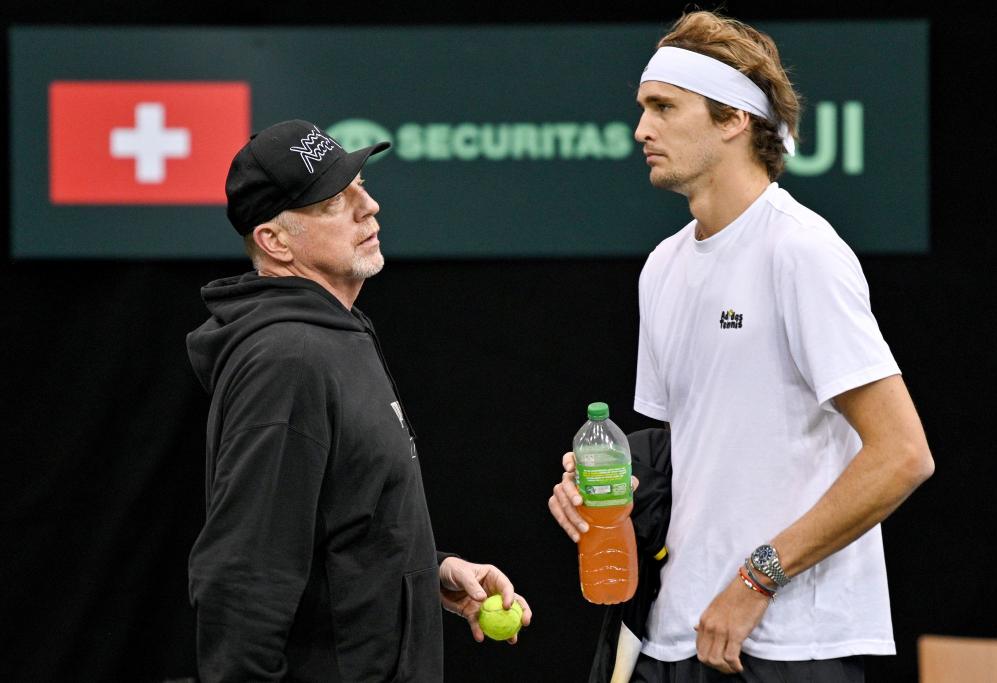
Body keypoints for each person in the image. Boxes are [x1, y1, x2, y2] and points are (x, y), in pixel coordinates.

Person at [549, 11, 933, 682]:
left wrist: (758, 577)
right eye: (643, 109)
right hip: (676, 638)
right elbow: (692, 453)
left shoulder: (801, 250)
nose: (642, 129)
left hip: (789, 645)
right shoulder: (662, 268)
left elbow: (902, 454)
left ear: (733, 120)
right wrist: (603, 486)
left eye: (664, 107)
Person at [186, 119, 530, 682]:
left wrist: (429, 573)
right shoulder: (288, 360)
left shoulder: (336, 334)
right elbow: (243, 580)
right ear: (274, 241)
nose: (368, 205)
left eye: (361, 186)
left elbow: (344, 521)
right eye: (333, 202)